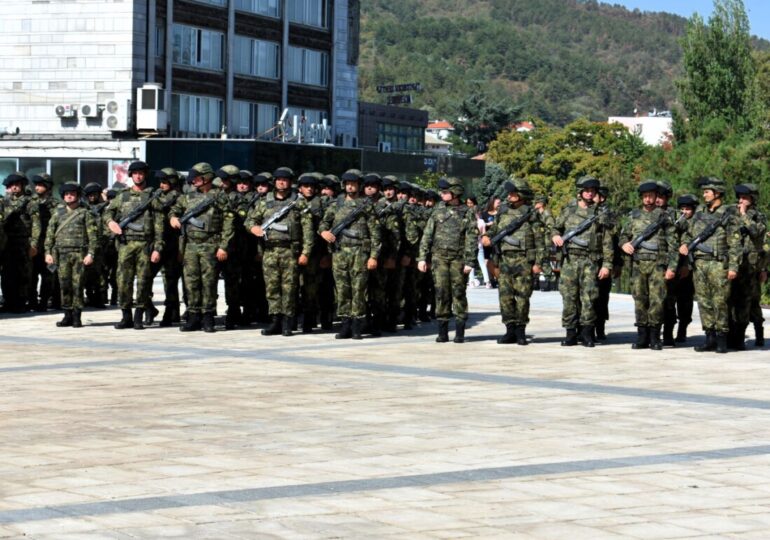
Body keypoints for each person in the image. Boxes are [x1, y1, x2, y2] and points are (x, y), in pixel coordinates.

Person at [245, 167, 313, 337]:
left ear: (290, 182)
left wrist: (306, 252)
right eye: (279, 179)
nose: (282, 182)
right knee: (272, 288)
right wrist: (253, 228)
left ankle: (288, 322)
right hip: (270, 251)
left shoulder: (299, 202)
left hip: (290, 251)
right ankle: (275, 320)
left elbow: (308, 230)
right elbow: (250, 220)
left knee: (289, 288)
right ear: (274, 182)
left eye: (285, 179)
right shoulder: (264, 202)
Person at [169, 162, 234, 333]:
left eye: (197, 177)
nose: (193, 181)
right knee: (191, 282)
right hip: (190, 245)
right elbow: (174, 209)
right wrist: (173, 217)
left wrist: (223, 246)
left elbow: (229, 223)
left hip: (211, 244)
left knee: (209, 282)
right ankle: (193, 316)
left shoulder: (219, 196)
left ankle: (208, 317)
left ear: (206, 178)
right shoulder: (188, 196)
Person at [679, 177, 741, 353]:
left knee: (720, 302)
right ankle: (710, 337)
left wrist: (733, 267)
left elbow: (735, 244)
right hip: (700, 264)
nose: (704, 195)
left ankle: (722, 339)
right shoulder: (699, 212)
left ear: (717, 193)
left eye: (707, 192)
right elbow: (688, 233)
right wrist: (685, 243)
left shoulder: (728, 214)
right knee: (704, 302)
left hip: (718, 264)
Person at [551, 175, 614, 347]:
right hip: (570, 260)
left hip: (590, 261)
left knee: (589, 298)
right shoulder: (568, 211)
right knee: (569, 297)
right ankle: (570, 333)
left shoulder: (601, 213)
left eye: (592, 191)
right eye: (586, 190)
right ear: (580, 192)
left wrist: (607, 265)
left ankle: (587, 333)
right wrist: (556, 235)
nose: (589, 194)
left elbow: (607, 241)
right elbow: (556, 228)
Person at [319, 169, 381, 340]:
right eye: (348, 184)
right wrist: (324, 232)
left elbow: (375, 232)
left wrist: (373, 256)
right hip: (339, 252)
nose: (351, 186)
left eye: (354, 184)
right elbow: (323, 223)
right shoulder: (335, 205)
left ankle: (357, 326)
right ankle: (345, 324)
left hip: (359, 253)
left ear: (359, 185)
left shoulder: (366, 205)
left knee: (359, 290)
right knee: (342, 290)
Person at [482, 179, 544, 345]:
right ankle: (509, 329)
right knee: (505, 297)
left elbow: (539, 241)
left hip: (524, 261)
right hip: (504, 260)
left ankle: (520, 330)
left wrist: (538, 263)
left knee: (523, 297)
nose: (509, 196)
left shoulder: (530, 214)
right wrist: (486, 236)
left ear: (521, 194)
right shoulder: (502, 211)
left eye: (513, 193)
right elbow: (495, 229)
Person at [104, 160, 164, 329]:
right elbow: (108, 212)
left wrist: (157, 248)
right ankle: (126, 316)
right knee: (123, 281)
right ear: (131, 175)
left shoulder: (152, 197)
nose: (138, 176)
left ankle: (139, 315)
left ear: (145, 175)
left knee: (144, 282)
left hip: (145, 245)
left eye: (141, 173)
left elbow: (159, 225)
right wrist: (110, 223)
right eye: (135, 173)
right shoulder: (122, 195)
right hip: (125, 244)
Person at [417, 177, 478, 343]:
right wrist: (422, 257)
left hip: (458, 259)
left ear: (455, 192)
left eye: (445, 191)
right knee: (441, 293)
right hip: (439, 259)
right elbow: (427, 235)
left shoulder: (467, 212)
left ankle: (459, 332)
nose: (442, 194)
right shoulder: (437, 210)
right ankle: (442, 331)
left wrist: (469, 261)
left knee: (458, 293)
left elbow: (472, 238)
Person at [619, 181, 678, 350]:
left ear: (655, 197)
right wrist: (624, 245)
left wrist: (672, 268)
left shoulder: (664, 217)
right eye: (645, 196)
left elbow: (673, 245)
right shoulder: (634, 216)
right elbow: (623, 237)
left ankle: (655, 336)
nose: (648, 199)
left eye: (650, 196)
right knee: (640, 300)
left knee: (657, 301)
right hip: (638, 265)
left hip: (657, 265)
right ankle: (642, 336)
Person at [44, 183, 98, 328]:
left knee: (78, 285)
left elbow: (93, 236)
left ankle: (77, 316)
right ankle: (67, 314)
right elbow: (49, 235)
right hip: (61, 254)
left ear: (78, 195)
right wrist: (48, 253)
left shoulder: (85, 213)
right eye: (67, 194)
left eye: (72, 193)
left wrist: (91, 253)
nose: (69, 196)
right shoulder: (58, 213)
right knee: (64, 285)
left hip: (79, 254)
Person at [729, 183, 767, 350]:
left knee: (749, 302)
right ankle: (731, 335)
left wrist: (744, 215)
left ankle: (749, 335)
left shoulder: (758, 216)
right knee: (731, 299)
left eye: (745, 198)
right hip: (734, 262)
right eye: (740, 198)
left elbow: (757, 232)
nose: (741, 200)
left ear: (752, 199)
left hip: (751, 266)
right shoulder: (732, 213)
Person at [1, 172, 41, 313]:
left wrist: (34, 244)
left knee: (23, 274)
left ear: (23, 186)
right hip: (6, 243)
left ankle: (20, 302)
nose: (15, 188)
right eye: (12, 185)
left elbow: (36, 224)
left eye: (17, 185)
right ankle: (8, 301)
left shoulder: (30, 202)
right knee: (6, 274)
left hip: (24, 243)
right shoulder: (4, 201)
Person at [153, 168, 183, 327]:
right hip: (156, 244)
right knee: (146, 278)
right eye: (160, 182)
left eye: (165, 182)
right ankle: (149, 308)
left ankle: (171, 312)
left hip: (172, 244)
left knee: (170, 281)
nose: (161, 185)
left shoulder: (179, 198)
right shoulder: (156, 195)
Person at [29, 173, 58, 311]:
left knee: (48, 276)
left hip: (48, 247)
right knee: (31, 275)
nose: (37, 187)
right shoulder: (30, 202)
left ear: (48, 186)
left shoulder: (56, 205)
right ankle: (33, 301)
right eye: (36, 185)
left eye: (41, 185)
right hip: (33, 246)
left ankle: (44, 301)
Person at [672, 194, 698, 343]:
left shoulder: (696, 224)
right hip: (673, 266)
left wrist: (686, 266)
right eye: (682, 209)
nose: (684, 212)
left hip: (689, 268)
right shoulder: (676, 223)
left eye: (687, 209)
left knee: (685, 301)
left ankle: (682, 329)